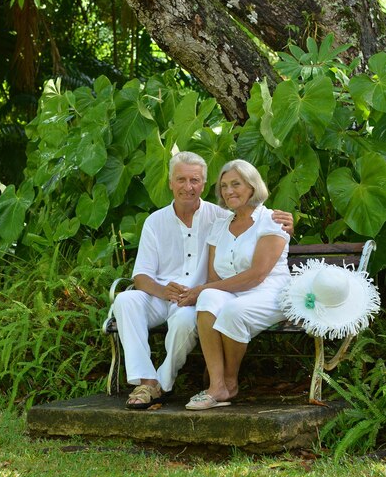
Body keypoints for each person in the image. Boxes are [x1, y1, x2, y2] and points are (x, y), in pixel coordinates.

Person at [112, 152, 293, 409]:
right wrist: (164, 291)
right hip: (163, 295)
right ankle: (146, 380)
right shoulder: (156, 221)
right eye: (181, 179)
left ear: (204, 184)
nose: (188, 187)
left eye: (195, 180)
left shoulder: (220, 216)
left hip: (196, 299)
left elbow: (255, 229)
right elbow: (140, 275)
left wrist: (286, 223)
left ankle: (162, 383)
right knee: (126, 300)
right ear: (170, 183)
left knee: (186, 321)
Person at [184, 159, 290, 411]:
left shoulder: (272, 220)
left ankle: (230, 382)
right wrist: (204, 291)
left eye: (236, 184)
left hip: (270, 292)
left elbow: (257, 275)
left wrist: (201, 290)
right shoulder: (220, 226)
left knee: (231, 310)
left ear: (252, 187)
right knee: (208, 298)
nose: (229, 191)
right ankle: (216, 385)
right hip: (233, 292)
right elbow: (213, 278)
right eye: (223, 186)